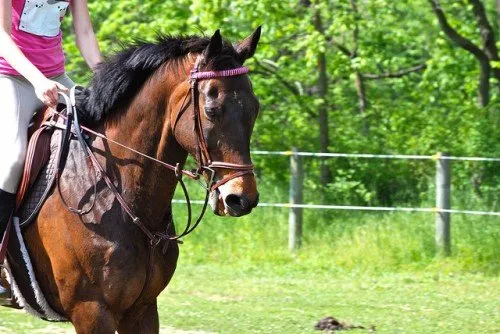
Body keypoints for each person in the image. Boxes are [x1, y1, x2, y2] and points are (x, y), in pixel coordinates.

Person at [0, 0, 101, 284]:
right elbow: (2, 36)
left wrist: (103, 73)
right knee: (12, 161)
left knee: (104, 130)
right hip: (12, 78)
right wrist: (36, 80)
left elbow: (84, 31)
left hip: (56, 78)